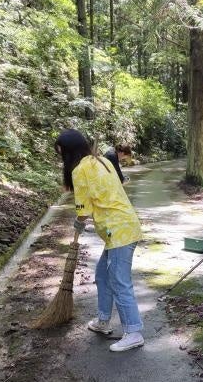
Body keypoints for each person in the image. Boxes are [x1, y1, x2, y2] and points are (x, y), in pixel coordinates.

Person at [54, 129, 145, 351]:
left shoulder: (79, 170)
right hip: (122, 226)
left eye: (62, 154)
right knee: (103, 275)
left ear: (69, 152)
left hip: (119, 230)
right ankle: (103, 321)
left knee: (119, 281)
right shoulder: (102, 160)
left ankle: (133, 332)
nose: (62, 159)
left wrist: (79, 222)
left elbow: (83, 209)